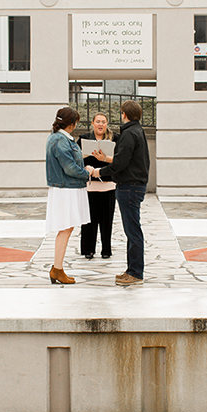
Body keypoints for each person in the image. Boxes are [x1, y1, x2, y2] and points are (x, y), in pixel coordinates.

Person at [90, 100, 150, 286]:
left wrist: (99, 171)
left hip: (129, 187)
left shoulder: (129, 133)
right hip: (134, 185)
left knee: (133, 231)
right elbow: (126, 159)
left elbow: (120, 163)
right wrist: (107, 160)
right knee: (131, 230)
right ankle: (132, 270)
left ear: (124, 114)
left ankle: (135, 273)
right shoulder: (137, 131)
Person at [45, 107, 91, 285]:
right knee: (65, 228)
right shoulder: (60, 139)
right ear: (72, 124)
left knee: (67, 227)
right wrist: (86, 173)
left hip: (68, 188)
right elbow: (69, 167)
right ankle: (57, 269)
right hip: (67, 189)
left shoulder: (58, 137)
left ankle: (58, 268)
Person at [78, 113, 119, 260]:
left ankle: (106, 250)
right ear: (92, 123)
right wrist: (86, 164)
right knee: (88, 220)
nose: (100, 124)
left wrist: (104, 159)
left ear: (107, 124)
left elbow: (120, 160)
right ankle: (88, 250)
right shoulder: (83, 139)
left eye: (103, 122)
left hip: (108, 185)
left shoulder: (114, 139)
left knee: (106, 220)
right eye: (98, 122)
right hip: (89, 185)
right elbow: (76, 159)